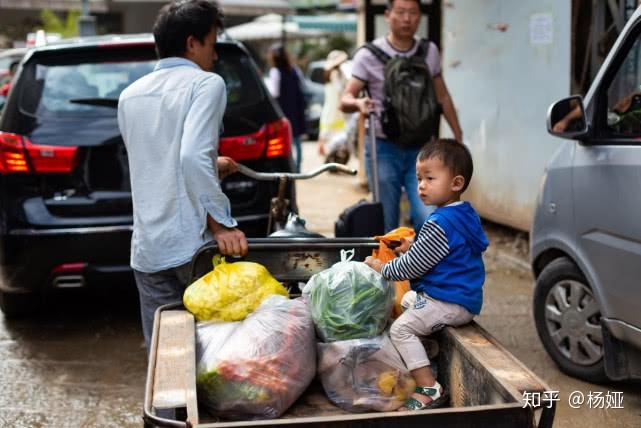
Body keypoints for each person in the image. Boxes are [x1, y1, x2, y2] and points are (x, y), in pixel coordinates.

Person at [117, 0, 248, 351]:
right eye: (212, 43)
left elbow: (159, 160)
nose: (215, 55)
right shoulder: (206, 84)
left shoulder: (129, 95)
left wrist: (210, 164)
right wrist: (221, 222)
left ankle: (168, 409)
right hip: (194, 246)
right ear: (192, 43)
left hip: (148, 248)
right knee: (213, 356)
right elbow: (191, 155)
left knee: (166, 357)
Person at [365, 139, 488, 411]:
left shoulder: (439, 223)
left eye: (430, 178)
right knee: (409, 299)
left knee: (401, 329)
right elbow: (444, 251)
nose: (421, 185)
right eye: (419, 178)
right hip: (461, 297)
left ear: (456, 183)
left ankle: (428, 387)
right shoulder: (463, 214)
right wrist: (413, 245)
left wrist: (381, 268)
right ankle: (427, 348)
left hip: (448, 301)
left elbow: (411, 268)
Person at [341, 0, 463, 233]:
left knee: (427, 216)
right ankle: (389, 268)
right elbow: (345, 100)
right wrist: (358, 103)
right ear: (387, 15)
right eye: (401, 12)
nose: (407, 19)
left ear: (420, 17)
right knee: (387, 219)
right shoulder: (368, 55)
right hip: (383, 147)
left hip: (423, 150)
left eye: (413, 13)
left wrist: (458, 137)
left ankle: (422, 266)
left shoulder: (429, 51)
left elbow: (443, 97)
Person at [266, 44, 307, 172]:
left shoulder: (275, 72)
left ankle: (291, 168)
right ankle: (298, 168)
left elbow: (274, 93)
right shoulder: (295, 70)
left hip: (283, 110)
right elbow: (303, 87)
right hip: (296, 108)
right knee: (297, 141)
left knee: (287, 141)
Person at [318, 50, 350, 162]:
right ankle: (331, 157)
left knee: (331, 133)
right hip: (336, 108)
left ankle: (331, 156)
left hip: (331, 107)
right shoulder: (336, 74)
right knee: (338, 134)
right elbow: (339, 92)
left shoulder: (330, 73)